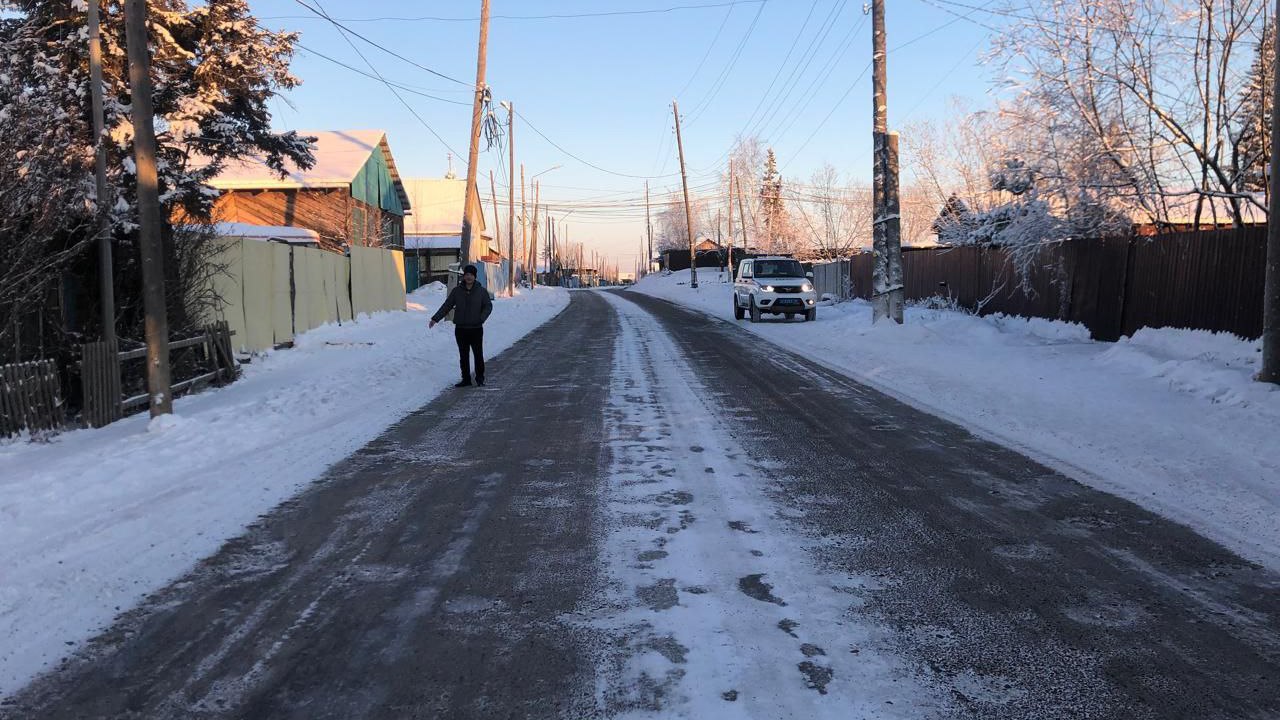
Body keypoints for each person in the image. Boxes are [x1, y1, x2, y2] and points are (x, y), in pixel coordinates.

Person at [429, 264, 493, 387]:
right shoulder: (457, 291)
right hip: (461, 329)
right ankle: (466, 379)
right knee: (463, 355)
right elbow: (447, 306)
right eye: (467, 275)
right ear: (464, 276)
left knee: (478, 354)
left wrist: (481, 318)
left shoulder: (481, 291)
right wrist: (435, 319)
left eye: (471, 275)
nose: (469, 277)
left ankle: (480, 379)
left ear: (475, 277)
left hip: (476, 329)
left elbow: (488, 306)